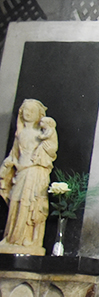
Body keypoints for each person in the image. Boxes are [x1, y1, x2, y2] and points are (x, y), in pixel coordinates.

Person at [0, 99, 58, 254]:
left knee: (31, 204)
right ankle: (12, 237)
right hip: (21, 172)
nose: (28, 113)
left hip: (34, 173)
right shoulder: (20, 134)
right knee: (15, 202)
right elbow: (14, 154)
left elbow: (52, 151)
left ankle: (29, 239)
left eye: (31, 110)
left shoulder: (43, 134)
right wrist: (7, 166)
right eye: (25, 110)